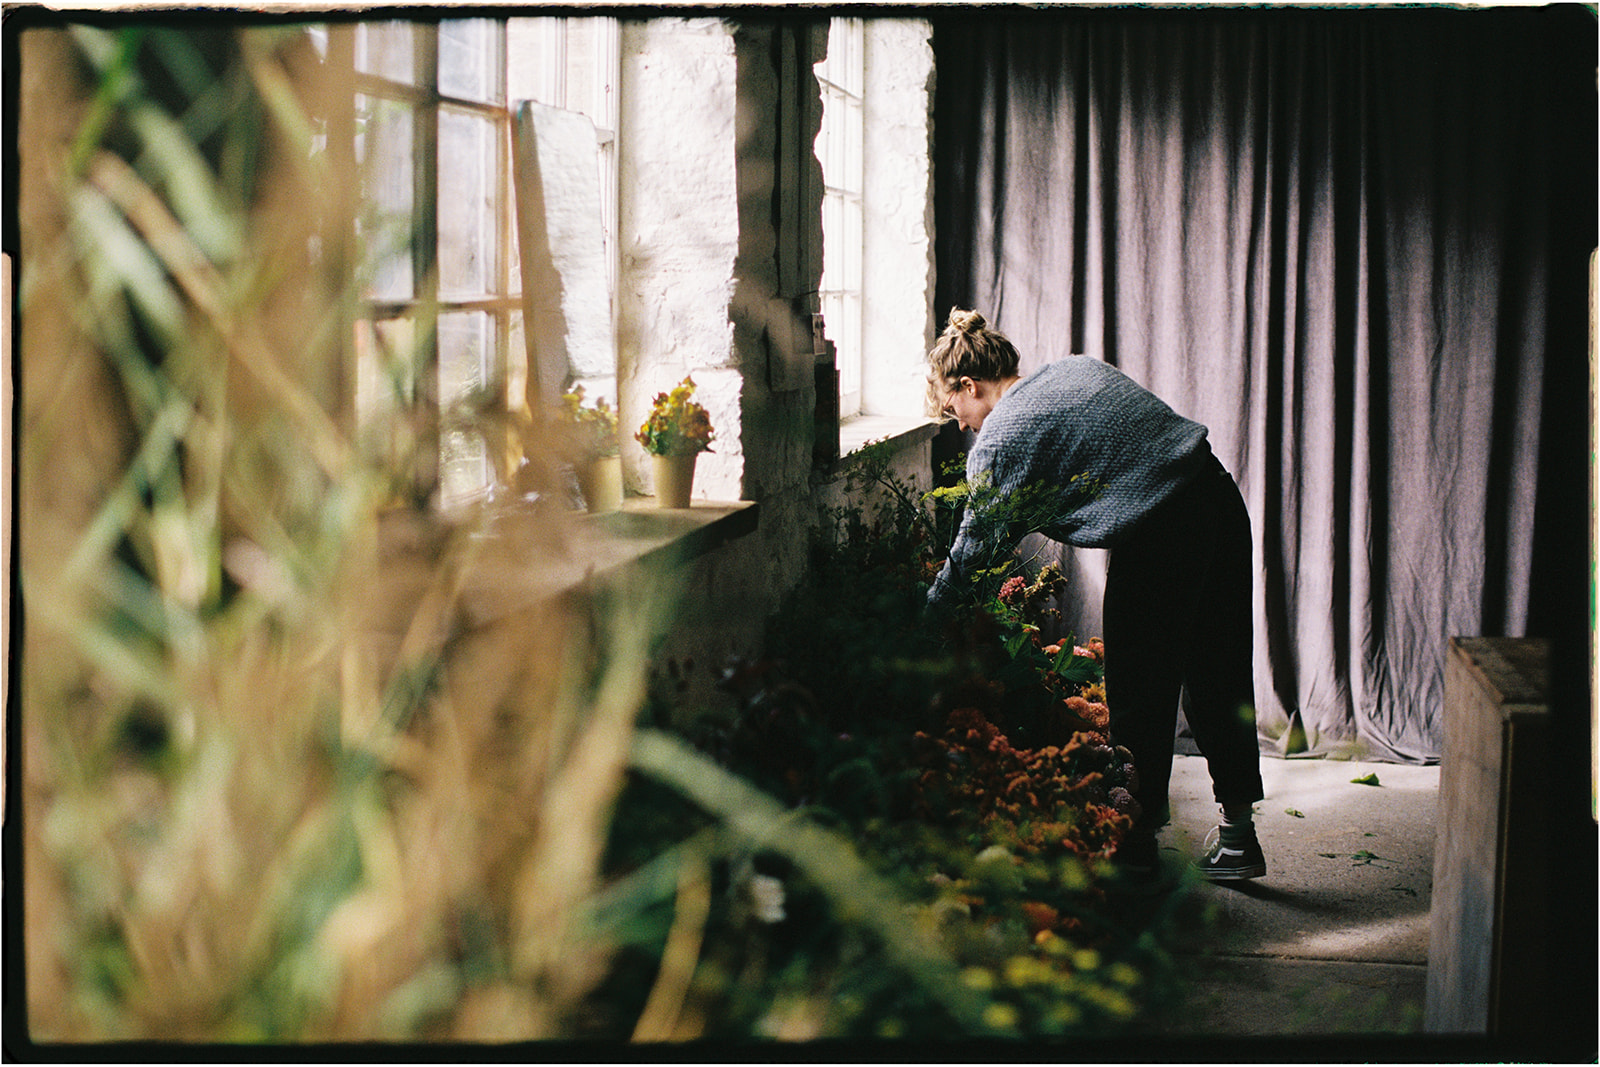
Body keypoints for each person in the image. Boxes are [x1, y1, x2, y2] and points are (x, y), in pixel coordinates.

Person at [925, 308, 1265, 881]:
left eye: (953, 410)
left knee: (1139, 687)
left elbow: (971, 553)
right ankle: (1239, 837)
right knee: (1220, 668)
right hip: (1217, 498)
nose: (961, 426)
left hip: (1161, 533)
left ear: (969, 385)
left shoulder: (1000, 434)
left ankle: (1134, 849)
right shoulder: (1074, 369)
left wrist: (923, 618)